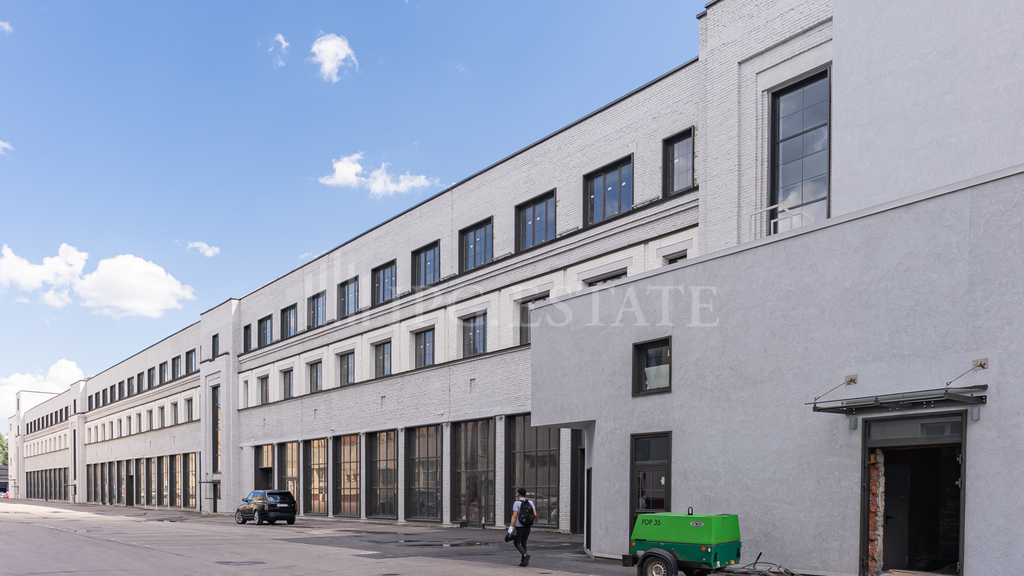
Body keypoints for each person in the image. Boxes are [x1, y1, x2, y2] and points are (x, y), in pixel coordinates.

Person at [509, 487, 536, 567]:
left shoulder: (517, 503)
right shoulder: (530, 502)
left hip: (520, 525)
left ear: (518, 494)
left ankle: (525, 555)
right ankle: (524, 562)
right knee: (524, 542)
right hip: (528, 525)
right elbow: (535, 514)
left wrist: (511, 526)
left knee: (517, 542)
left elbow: (515, 515)